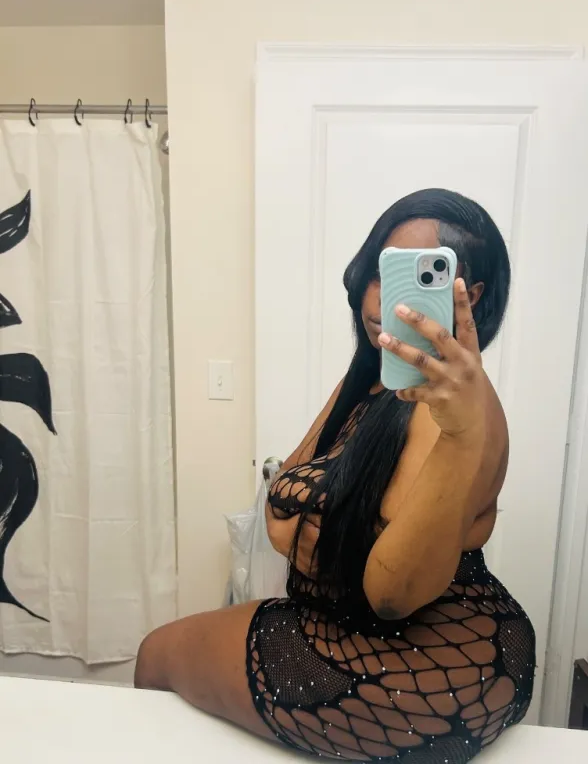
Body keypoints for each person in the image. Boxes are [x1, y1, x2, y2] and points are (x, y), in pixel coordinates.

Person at [134, 188, 535, 762]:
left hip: (418, 673)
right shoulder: (378, 385)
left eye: (410, 280)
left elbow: (391, 595)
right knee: (165, 652)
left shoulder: (458, 417)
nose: (378, 300)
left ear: (466, 296)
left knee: (156, 654)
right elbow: (286, 508)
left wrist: (459, 438)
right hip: (435, 644)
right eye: (379, 272)